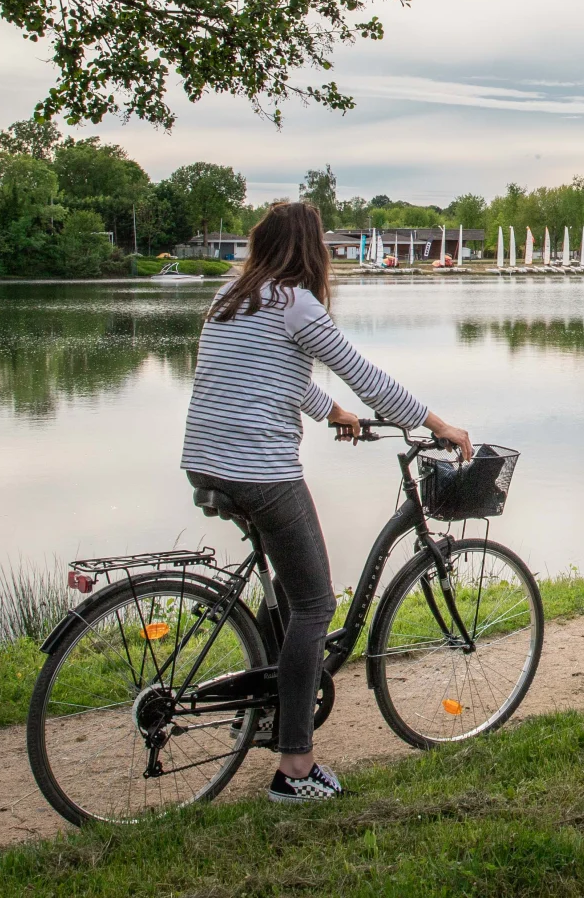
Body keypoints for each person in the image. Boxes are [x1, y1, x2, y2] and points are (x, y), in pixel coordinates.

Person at [180, 200, 472, 804]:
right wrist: (438, 423)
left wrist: (329, 411)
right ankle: (295, 767)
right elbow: (365, 375)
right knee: (315, 604)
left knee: (285, 595)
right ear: (311, 252)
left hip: (206, 461)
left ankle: (264, 712)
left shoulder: (232, 296)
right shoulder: (297, 302)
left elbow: (271, 374)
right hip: (260, 471)